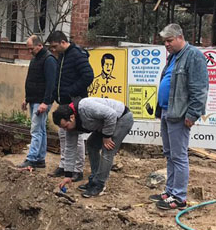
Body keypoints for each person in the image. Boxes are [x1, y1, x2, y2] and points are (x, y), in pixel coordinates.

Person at [150, 23, 208, 210]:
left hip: (180, 114)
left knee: (179, 155)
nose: (166, 44)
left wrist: (192, 114)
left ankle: (179, 197)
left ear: (180, 37)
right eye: (164, 41)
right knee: (169, 154)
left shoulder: (193, 56)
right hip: (168, 111)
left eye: (169, 40)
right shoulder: (173, 57)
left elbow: (200, 89)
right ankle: (170, 191)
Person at [53, 97, 134, 197]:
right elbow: (70, 149)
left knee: (107, 149)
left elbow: (111, 114)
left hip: (122, 118)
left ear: (72, 117)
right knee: (91, 144)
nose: (65, 130)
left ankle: (99, 185)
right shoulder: (70, 128)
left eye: (65, 126)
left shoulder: (85, 107)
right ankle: (94, 180)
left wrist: (107, 136)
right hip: (105, 124)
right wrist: (68, 175)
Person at [47, 31, 94, 182]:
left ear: (62, 42)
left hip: (74, 102)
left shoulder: (76, 54)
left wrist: (71, 91)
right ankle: (65, 165)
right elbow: (59, 78)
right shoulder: (62, 56)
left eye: (54, 46)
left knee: (76, 136)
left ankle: (78, 170)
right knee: (63, 134)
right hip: (64, 102)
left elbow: (88, 75)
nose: (53, 50)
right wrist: (56, 93)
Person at [18, 35, 57, 169]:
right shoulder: (35, 59)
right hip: (34, 100)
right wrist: (27, 98)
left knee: (35, 130)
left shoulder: (49, 60)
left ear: (39, 45)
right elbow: (32, 80)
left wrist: (45, 102)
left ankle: (32, 158)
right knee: (41, 129)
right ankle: (40, 159)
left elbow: (51, 84)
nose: (30, 52)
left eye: (31, 49)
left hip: (41, 102)